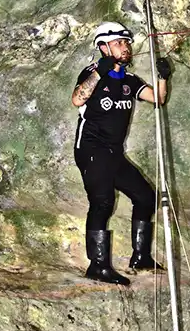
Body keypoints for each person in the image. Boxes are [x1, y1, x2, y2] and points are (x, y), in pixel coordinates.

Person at [70, 21, 171, 286]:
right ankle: (98, 266)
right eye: (118, 43)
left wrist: (163, 76)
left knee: (146, 197)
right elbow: (77, 99)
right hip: (91, 150)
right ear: (103, 47)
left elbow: (158, 99)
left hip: (114, 153)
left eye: (126, 42)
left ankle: (141, 257)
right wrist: (99, 72)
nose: (125, 47)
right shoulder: (92, 73)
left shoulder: (129, 80)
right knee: (102, 203)